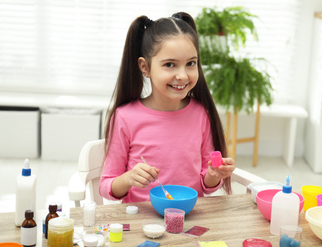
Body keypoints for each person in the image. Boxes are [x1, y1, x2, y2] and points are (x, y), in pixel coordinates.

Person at [99, 12, 236, 203]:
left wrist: (214, 174)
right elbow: (106, 187)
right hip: (141, 221)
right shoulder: (125, 117)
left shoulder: (200, 113)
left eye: (190, 63)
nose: (182, 75)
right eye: (170, 64)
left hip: (188, 217)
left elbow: (207, 182)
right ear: (145, 67)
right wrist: (128, 178)